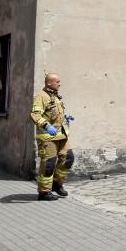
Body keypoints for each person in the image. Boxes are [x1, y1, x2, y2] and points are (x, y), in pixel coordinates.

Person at [31, 73, 75, 201]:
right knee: (49, 164)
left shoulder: (55, 97)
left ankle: (57, 184)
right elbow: (35, 115)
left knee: (68, 158)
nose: (59, 83)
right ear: (49, 83)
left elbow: (55, 115)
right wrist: (47, 126)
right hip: (48, 138)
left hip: (62, 136)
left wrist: (65, 118)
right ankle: (44, 192)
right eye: (57, 81)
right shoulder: (42, 97)